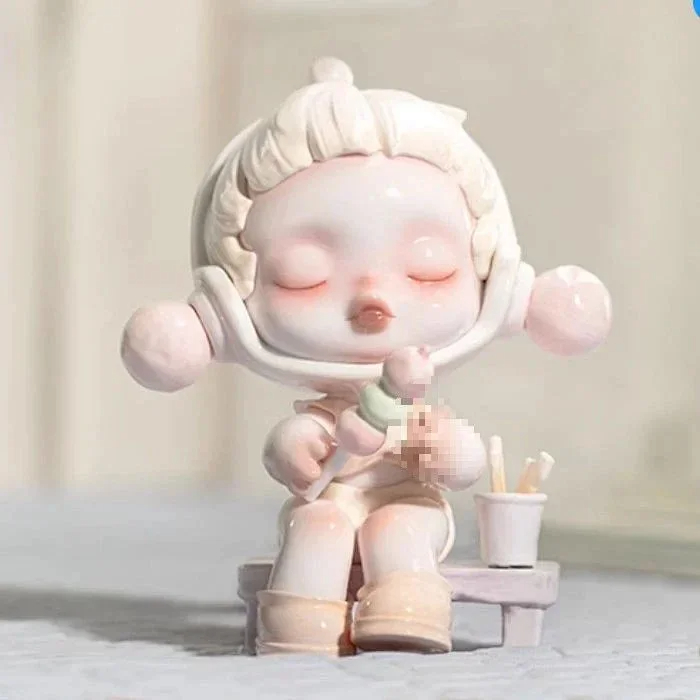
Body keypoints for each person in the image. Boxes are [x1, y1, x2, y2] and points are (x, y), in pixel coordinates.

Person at [121, 57, 612, 656]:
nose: (375, 300)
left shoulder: (418, 413)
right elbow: (289, 453)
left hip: (410, 500)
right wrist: (297, 450)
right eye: (306, 274)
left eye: (429, 267)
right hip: (331, 497)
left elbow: (464, 468)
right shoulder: (321, 413)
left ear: (497, 284)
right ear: (228, 308)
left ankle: (408, 606)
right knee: (316, 524)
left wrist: (437, 448)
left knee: (399, 526)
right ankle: (299, 623)